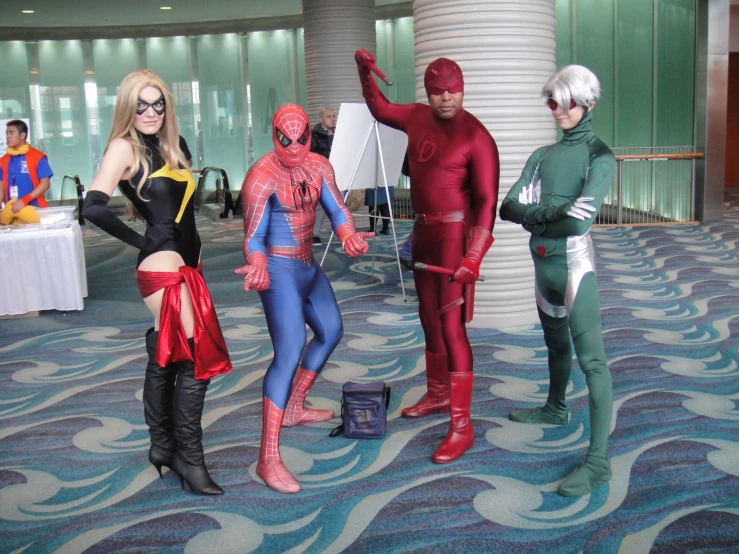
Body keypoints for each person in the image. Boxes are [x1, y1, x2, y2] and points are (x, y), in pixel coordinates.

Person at [82, 70, 231, 496]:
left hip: (191, 259)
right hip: (161, 262)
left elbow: (182, 208)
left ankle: (162, 446)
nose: (150, 112)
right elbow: (92, 207)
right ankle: (189, 456)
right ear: (128, 107)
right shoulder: (123, 147)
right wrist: (140, 239)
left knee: (166, 350)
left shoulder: (174, 145)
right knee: (196, 357)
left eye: (158, 104)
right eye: (141, 105)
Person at [355, 50, 499, 463]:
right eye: (437, 92)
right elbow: (379, 108)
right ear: (428, 93)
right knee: (427, 317)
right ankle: (438, 394)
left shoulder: (477, 137)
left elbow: (487, 204)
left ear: (463, 89)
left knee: (453, 327)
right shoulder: (417, 116)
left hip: (454, 234)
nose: (446, 98)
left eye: (453, 90)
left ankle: (462, 425)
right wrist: (363, 72)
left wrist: (473, 257)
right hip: (422, 231)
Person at [236, 104, 372, 494]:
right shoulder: (261, 176)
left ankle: (294, 406)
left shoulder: (319, 166)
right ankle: (268, 457)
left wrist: (349, 235)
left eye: (300, 139)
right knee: (290, 348)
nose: (294, 147)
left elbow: (337, 209)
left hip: (307, 265)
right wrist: (258, 263)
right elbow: (253, 236)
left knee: (331, 330)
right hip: (278, 269)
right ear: (274, 136)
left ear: (309, 136)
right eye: (285, 139)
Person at [499, 65, 616, 497]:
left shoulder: (599, 157)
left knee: (593, 361)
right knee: (553, 344)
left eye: (568, 102)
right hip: (543, 267)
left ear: (588, 103)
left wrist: (540, 217)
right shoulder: (543, 157)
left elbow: (575, 222)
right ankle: (555, 407)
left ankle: (599, 461)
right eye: (553, 102)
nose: (560, 110)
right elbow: (506, 207)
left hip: (573, 267)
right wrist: (548, 215)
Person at [0, 120, 52, 225]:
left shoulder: (37, 157)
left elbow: (45, 184)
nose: (8, 136)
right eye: (7, 133)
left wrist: (24, 200)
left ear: (22, 135)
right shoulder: (3, 160)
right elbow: (0, 189)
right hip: (11, 214)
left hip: (35, 210)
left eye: (11, 133)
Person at [310, 107, 336, 244]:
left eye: (333, 116)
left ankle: (344, 232)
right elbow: (312, 156)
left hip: (338, 173)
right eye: (329, 116)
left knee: (341, 204)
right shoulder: (315, 135)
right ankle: (315, 234)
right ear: (321, 119)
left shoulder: (339, 133)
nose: (332, 119)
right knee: (320, 205)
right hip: (321, 174)